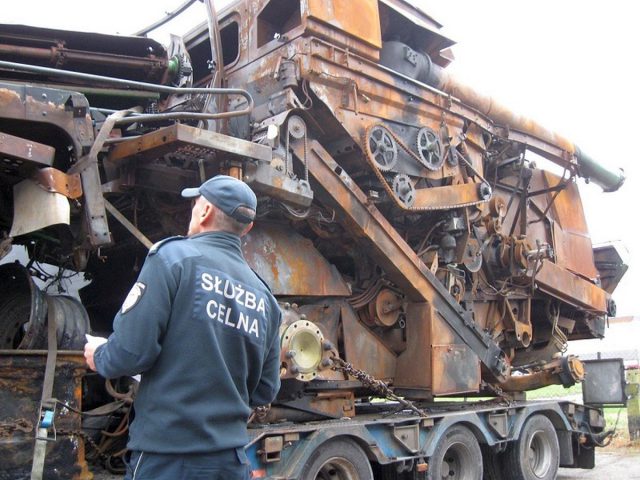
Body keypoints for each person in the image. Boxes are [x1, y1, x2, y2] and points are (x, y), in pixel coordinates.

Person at [84, 175, 281, 480]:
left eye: (195, 204)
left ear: (204, 212)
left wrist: (100, 355)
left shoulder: (172, 259)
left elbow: (131, 352)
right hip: (229, 463)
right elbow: (266, 389)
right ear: (248, 228)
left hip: (167, 460)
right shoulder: (266, 299)